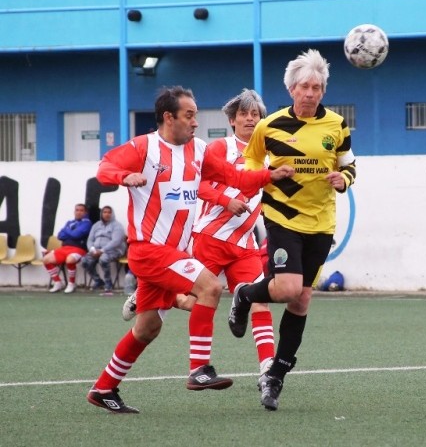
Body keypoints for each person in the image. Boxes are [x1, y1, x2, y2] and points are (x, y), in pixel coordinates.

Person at [86, 85, 294, 414]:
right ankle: (199, 369)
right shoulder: (145, 147)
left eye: (196, 114)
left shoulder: (199, 150)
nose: (196, 121)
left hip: (176, 253)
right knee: (210, 286)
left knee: (148, 328)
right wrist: (125, 176)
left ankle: (103, 388)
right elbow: (104, 169)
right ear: (169, 118)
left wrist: (270, 175)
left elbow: (233, 178)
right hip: (150, 250)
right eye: (189, 115)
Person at [228, 49, 356, 411]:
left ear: (323, 91)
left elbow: (349, 164)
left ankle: (275, 377)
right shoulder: (269, 127)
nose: (311, 93)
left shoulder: (336, 125)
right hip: (282, 216)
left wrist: (342, 179)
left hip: (321, 221)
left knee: (301, 299)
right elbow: (251, 160)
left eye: (317, 87)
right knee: (287, 289)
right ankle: (245, 295)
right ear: (291, 90)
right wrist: (267, 175)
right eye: (304, 87)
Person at [121, 89, 278, 377]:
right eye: (243, 114)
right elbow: (198, 185)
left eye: (255, 114)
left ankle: (268, 368)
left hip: (245, 243)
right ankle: (157, 296)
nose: (250, 119)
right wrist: (225, 201)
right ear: (232, 120)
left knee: (260, 300)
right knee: (198, 299)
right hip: (210, 237)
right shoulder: (220, 148)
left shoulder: (268, 155)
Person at [43, 203, 91, 294]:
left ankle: (71, 283)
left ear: (85, 212)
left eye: (81, 210)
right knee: (46, 259)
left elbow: (76, 235)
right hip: (64, 248)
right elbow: (60, 236)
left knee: (70, 260)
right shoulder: (70, 222)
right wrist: (71, 232)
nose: (79, 212)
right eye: (77, 210)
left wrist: (67, 230)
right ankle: (57, 282)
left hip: (79, 249)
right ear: (74, 211)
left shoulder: (87, 223)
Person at [82, 205, 126, 296]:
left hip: (114, 250)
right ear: (101, 214)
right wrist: (92, 249)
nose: (107, 214)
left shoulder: (117, 226)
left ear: (112, 214)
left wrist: (102, 250)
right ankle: (98, 281)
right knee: (85, 260)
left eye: (109, 212)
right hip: (96, 250)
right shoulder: (96, 225)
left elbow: (116, 241)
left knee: (103, 259)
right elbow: (90, 240)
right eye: (104, 212)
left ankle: (108, 284)